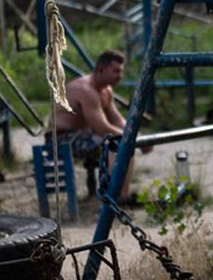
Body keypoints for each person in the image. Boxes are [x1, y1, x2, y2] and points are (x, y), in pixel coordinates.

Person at [48, 48, 149, 200]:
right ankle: (115, 197)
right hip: (61, 139)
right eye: (116, 71)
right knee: (115, 145)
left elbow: (117, 120)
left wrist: (137, 137)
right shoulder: (85, 90)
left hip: (82, 136)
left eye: (120, 72)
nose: (119, 76)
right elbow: (101, 128)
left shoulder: (106, 90)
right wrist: (132, 140)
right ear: (101, 69)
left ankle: (122, 196)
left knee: (122, 142)